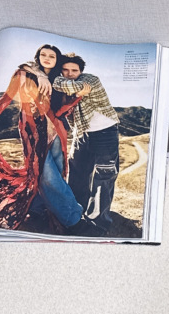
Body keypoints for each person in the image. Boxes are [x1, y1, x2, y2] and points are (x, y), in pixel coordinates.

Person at [0, 46, 85, 230]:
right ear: (37, 57)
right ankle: (73, 218)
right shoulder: (24, 75)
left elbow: (60, 111)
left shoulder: (58, 80)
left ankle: (40, 208)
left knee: (56, 174)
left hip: (56, 133)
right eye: (43, 55)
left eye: (52, 56)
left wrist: (76, 98)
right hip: (33, 133)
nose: (47, 58)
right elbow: (5, 99)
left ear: (57, 60)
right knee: (46, 176)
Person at [51, 53, 121, 234]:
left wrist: (55, 78)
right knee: (77, 174)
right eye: (65, 70)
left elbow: (75, 87)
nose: (69, 74)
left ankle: (98, 224)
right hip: (81, 134)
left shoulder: (90, 80)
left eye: (74, 70)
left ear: (81, 71)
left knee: (103, 177)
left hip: (105, 133)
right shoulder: (65, 88)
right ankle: (75, 216)